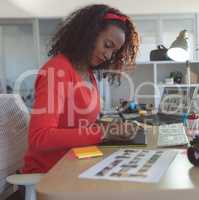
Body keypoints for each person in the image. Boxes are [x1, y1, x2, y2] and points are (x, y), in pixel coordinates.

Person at [21, 4, 140, 174]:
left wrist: (112, 129)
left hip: (77, 164)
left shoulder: (88, 73)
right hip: (49, 174)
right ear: (88, 34)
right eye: (107, 45)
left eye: (114, 52)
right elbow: (40, 137)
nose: (108, 55)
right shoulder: (57, 71)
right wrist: (103, 132)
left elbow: (79, 124)